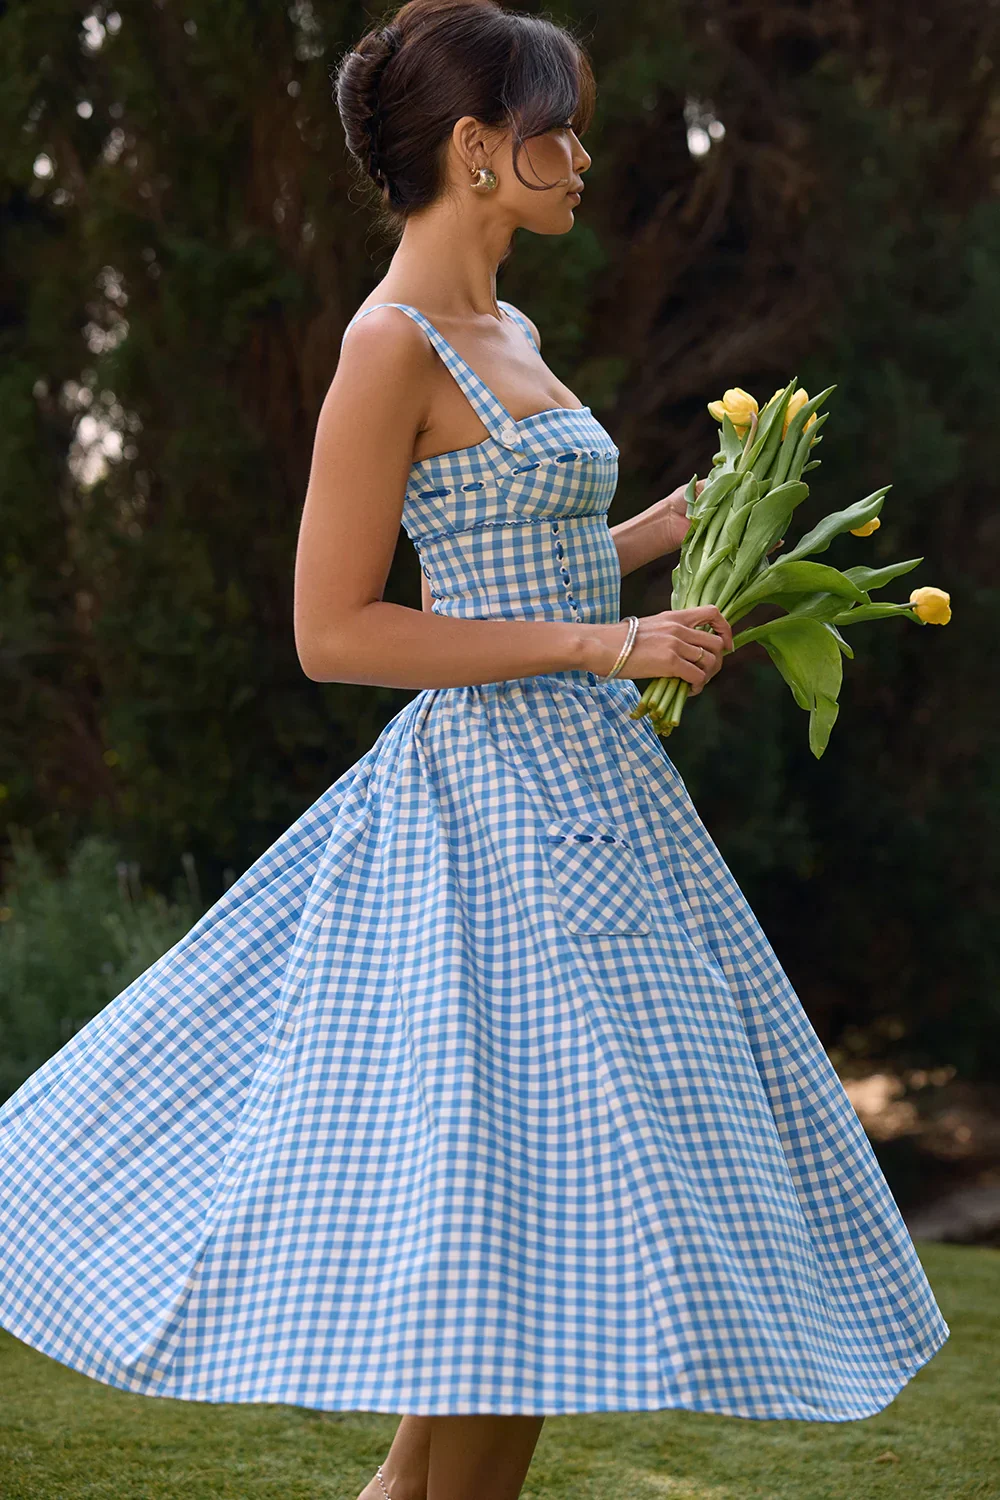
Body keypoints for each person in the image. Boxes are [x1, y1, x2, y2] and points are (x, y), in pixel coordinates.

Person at [0, 4, 949, 1499]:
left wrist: (699, 527)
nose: (581, 156)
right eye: (556, 129)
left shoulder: (512, 328)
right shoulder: (393, 344)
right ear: (477, 153)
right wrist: (605, 648)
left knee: (524, 1305)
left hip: (596, 805)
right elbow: (338, 629)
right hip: (481, 829)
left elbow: (549, 566)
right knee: (510, 1273)